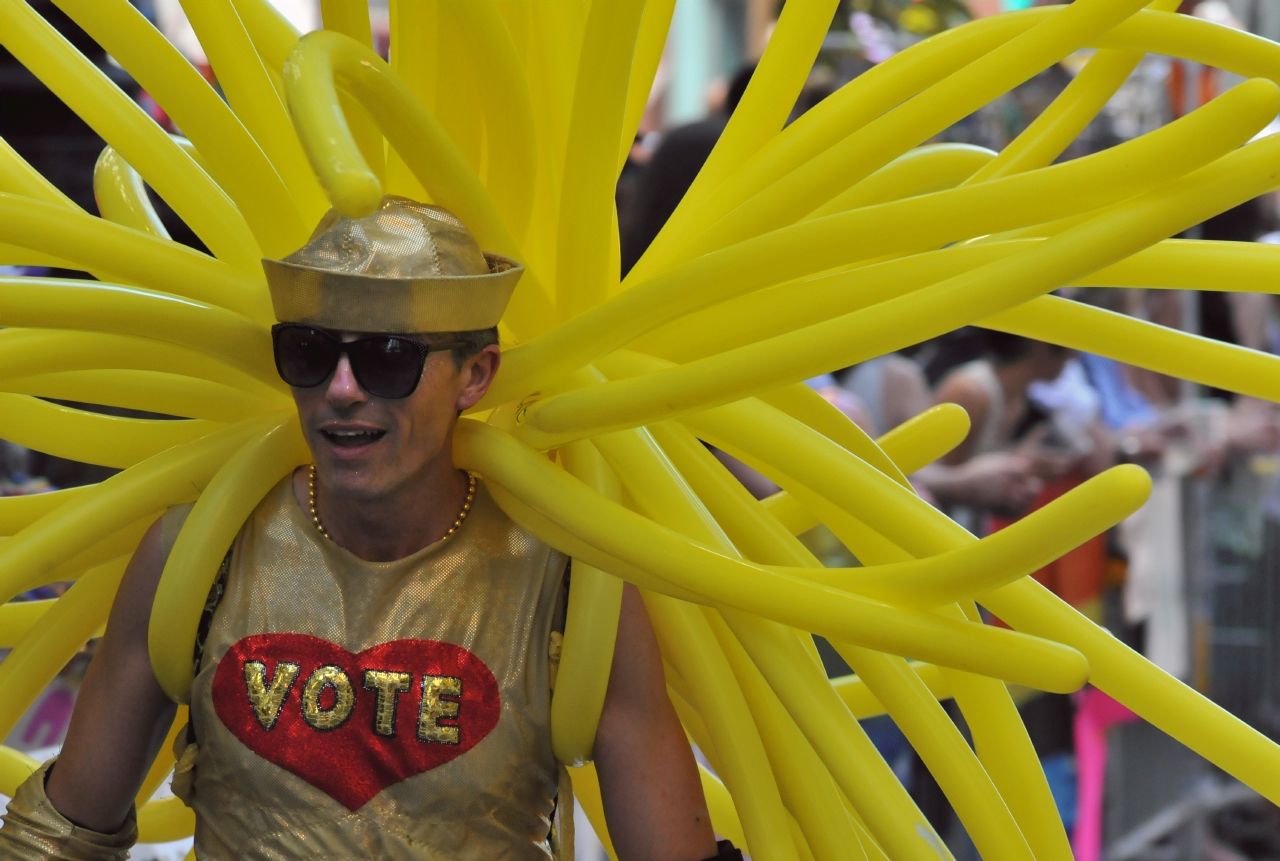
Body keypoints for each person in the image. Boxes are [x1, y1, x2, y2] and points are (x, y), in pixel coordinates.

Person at [0, 198, 727, 861]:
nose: (341, 389)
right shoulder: (199, 553)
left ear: (475, 375)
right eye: (312, 354)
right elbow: (58, 837)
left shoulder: (572, 583)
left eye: (388, 359)